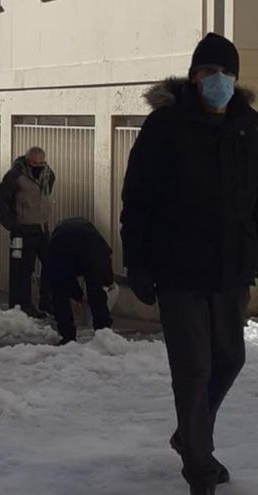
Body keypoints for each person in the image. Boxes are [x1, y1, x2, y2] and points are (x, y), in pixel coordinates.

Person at [121, 33, 257, 495]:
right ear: (194, 77)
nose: (216, 80)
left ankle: (189, 436)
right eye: (206, 72)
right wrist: (136, 262)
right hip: (179, 271)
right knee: (194, 369)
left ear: (235, 79)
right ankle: (199, 466)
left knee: (231, 359)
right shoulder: (166, 126)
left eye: (224, 72)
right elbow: (136, 199)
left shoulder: (248, 126)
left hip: (230, 272)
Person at [0, 146, 55, 318]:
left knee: (51, 264)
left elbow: (47, 192)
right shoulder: (15, 176)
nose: (39, 167)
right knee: (24, 270)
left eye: (42, 164)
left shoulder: (48, 174)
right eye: (35, 164)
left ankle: (47, 301)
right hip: (23, 229)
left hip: (42, 227)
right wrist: (11, 224)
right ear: (28, 162)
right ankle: (24, 305)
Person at [44, 218, 114, 346]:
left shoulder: (55, 245)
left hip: (62, 247)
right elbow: (104, 264)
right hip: (91, 247)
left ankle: (68, 336)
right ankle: (104, 333)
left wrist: (78, 296)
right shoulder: (98, 244)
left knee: (60, 293)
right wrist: (109, 281)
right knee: (96, 290)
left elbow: (63, 279)